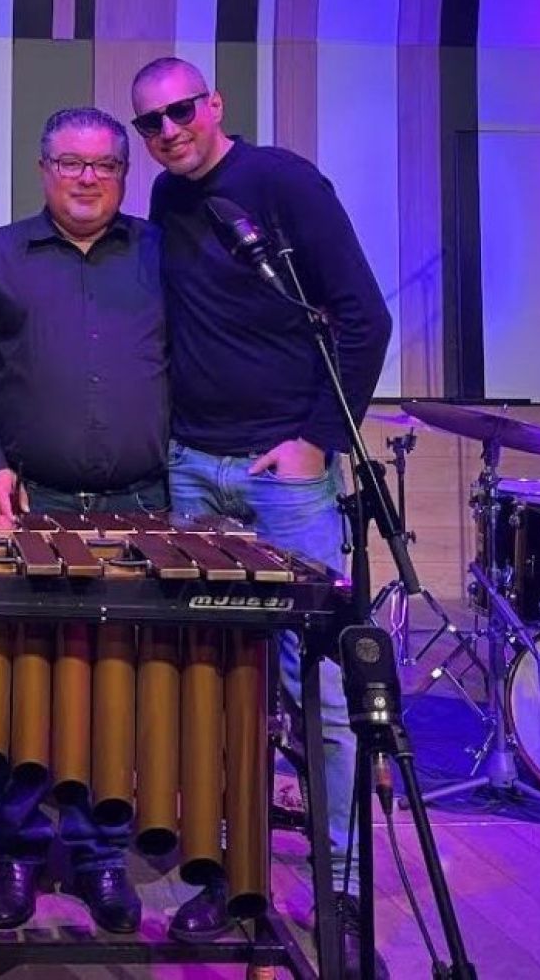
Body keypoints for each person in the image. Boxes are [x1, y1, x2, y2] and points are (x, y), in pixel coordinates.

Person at [130, 57, 392, 978]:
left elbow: (362, 316)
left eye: (180, 111)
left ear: (214, 105)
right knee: (220, 689)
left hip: (283, 475)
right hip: (191, 470)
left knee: (317, 691)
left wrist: (317, 439)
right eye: (150, 123)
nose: (168, 131)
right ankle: (233, 875)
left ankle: (343, 886)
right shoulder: (166, 199)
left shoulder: (282, 180)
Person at [0, 106, 163, 934]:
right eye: (70, 162)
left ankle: (101, 854)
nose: (85, 178)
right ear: (43, 169)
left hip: (143, 506)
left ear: (123, 177)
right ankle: (19, 851)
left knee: (116, 689)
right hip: (32, 504)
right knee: (26, 685)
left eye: (103, 165)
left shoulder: (158, 253)